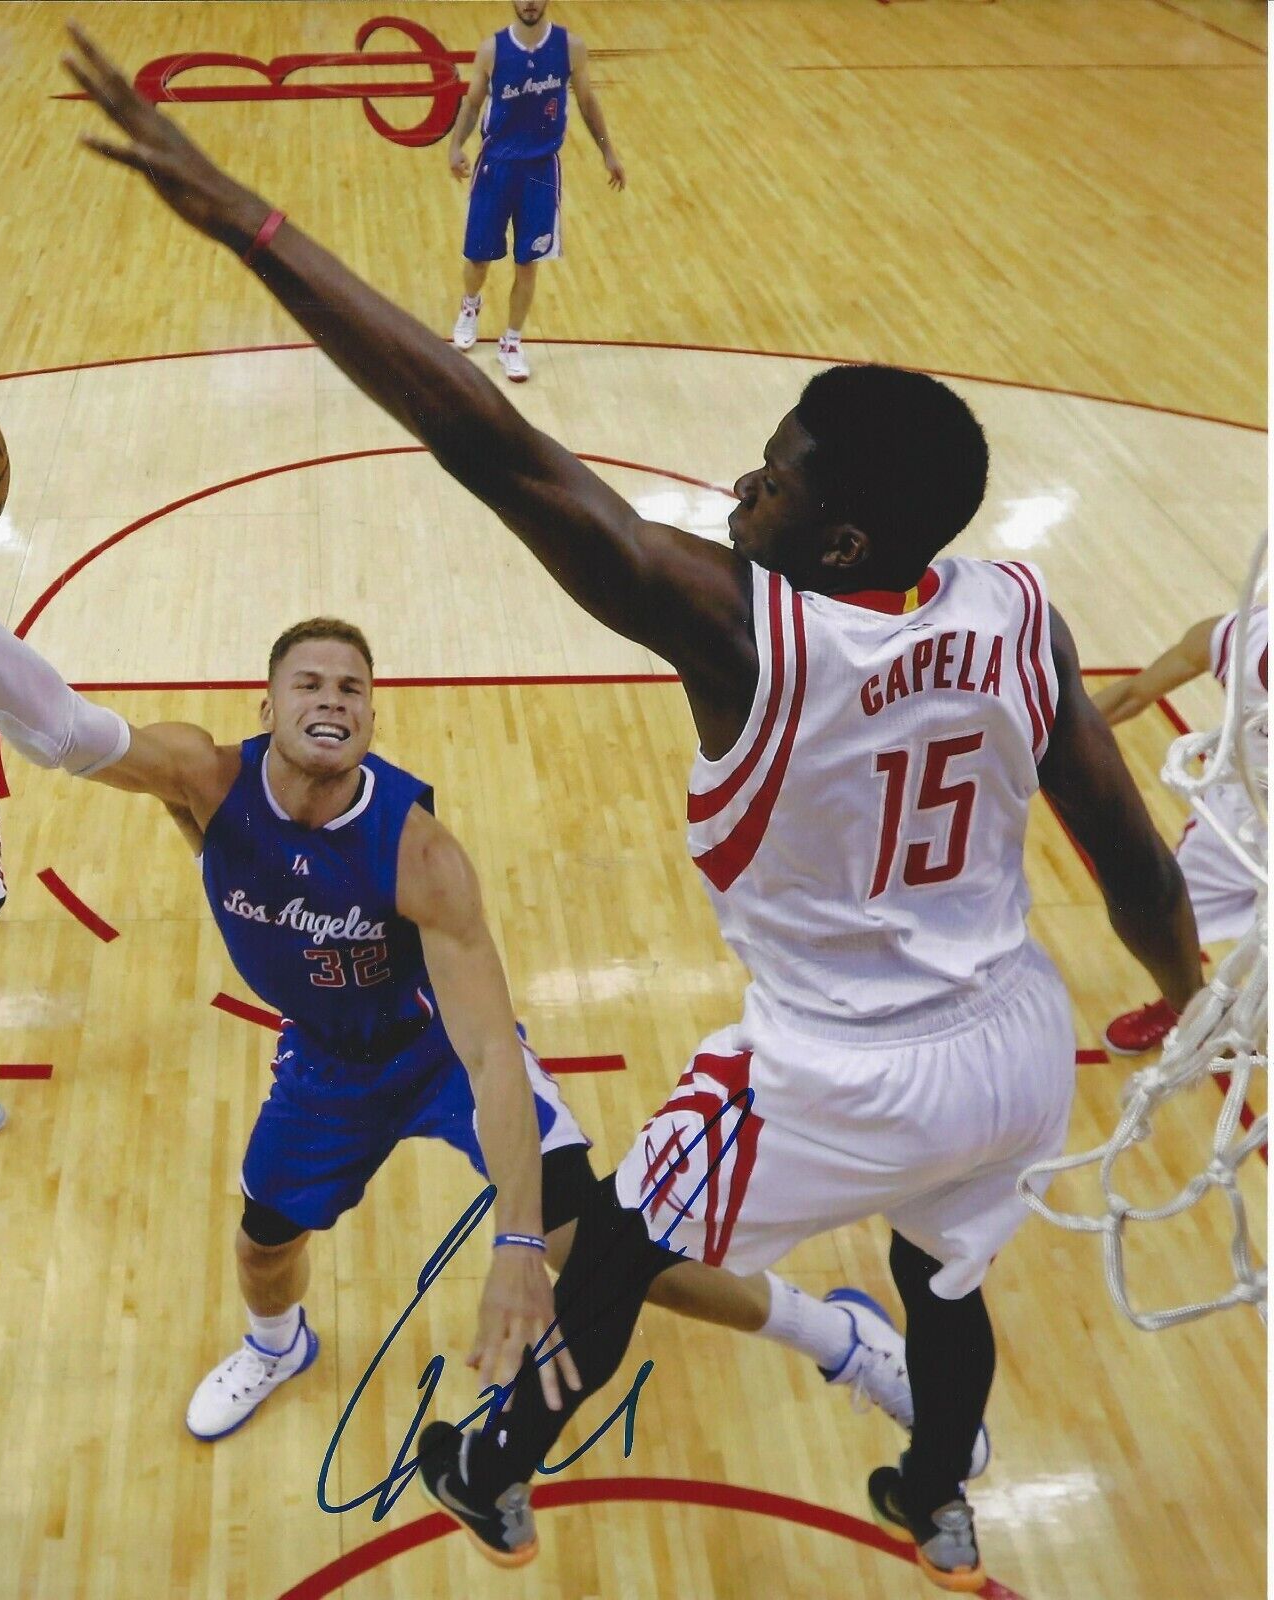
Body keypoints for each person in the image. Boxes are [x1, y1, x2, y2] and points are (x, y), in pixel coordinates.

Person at [65, 32, 1199, 1589]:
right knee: (946, 1286)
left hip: (833, 1067)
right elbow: (1134, 861)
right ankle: (935, 1486)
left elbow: (493, 446)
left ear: (841, 533)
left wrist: (248, 222)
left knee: (615, 1241)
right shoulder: (1020, 612)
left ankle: (489, 1454)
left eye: (780, 481)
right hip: (1012, 1045)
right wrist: (1191, 994)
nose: (746, 485)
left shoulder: (746, 626)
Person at [0, 599, 931, 1452]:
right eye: (309, 683)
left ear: (371, 715)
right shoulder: (203, 777)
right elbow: (65, 731)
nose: (333, 699)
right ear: (266, 705)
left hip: (437, 1054)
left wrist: (520, 1243)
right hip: (327, 1065)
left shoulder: (419, 850)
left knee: (592, 1248)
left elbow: (489, 1056)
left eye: (353, 688)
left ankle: (838, 1338)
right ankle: (277, 1347)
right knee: (262, 1241)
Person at [1092, 605, 1268, 1054]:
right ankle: (1183, 1004)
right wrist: (1036, 738)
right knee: (1165, 925)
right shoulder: (1233, 635)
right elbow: (1134, 695)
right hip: (1233, 821)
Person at [447, 0, 625, 383]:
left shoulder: (569, 47)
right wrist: (455, 145)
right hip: (496, 167)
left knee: (528, 263)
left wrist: (608, 151)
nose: (529, 2)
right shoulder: (492, 49)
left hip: (541, 172)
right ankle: (470, 305)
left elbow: (588, 102)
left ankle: (511, 341)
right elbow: (473, 102)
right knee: (478, 260)